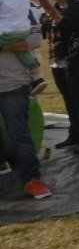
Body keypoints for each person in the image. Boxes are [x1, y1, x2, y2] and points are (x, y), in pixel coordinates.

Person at [38, 0, 79, 154]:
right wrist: (48, 17)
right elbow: (47, 31)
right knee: (68, 97)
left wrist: (57, 17)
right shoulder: (55, 8)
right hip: (58, 58)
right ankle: (74, 135)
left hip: (77, 56)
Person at [0, 24, 51, 198]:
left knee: (20, 134)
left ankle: (32, 180)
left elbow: (35, 39)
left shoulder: (20, 11)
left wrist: (3, 45)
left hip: (12, 84)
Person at [0, 0, 46, 95]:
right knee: (23, 53)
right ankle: (37, 77)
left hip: (7, 33)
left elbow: (36, 40)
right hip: (23, 31)